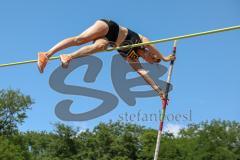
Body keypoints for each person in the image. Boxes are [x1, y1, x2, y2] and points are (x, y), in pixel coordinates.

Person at [37, 19, 175, 99]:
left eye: (148, 62)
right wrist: (164, 58)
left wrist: (158, 90)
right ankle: (46, 54)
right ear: (150, 54)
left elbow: (142, 72)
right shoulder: (142, 40)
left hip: (108, 40)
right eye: (150, 59)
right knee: (80, 39)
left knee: (101, 47)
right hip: (109, 28)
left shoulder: (131, 55)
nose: (146, 60)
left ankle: (69, 56)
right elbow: (150, 46)